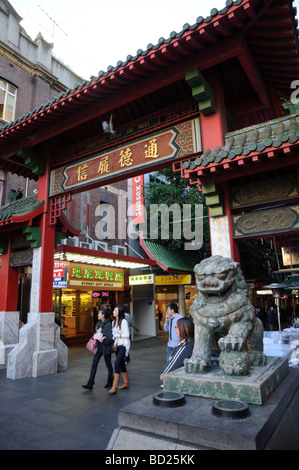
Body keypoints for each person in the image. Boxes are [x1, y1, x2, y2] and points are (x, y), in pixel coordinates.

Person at [82, 306, 113, 390]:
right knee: (94, 364)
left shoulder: (108, 324)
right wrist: (97, 333)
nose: (98, 314)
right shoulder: (98, 324)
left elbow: (110, 337)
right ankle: (90, 383)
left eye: (99, 313)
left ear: (103, 315)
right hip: (98, 347)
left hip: (105, 348)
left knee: (108, 364)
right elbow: (95, 334)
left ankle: (110, 380)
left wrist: (102, 336)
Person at [160, 317, 194, 382]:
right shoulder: (189, 343)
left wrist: (163, 373)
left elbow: (174, 363)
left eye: (177, 327)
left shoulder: (185, 346)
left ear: (183, 329)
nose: (175, 330)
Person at [109, 305, 131, 394]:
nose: (113, 312)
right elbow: (113, 334)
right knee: (122, 364)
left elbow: (127, 334)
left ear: (119, 312)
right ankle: (126, 383)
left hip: (124, 346)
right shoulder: (113, 322)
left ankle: (114, 386)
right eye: (114, 310)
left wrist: (117, 335)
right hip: (117, 346)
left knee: (117, 364)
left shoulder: (124, 322)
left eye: (115, 310)